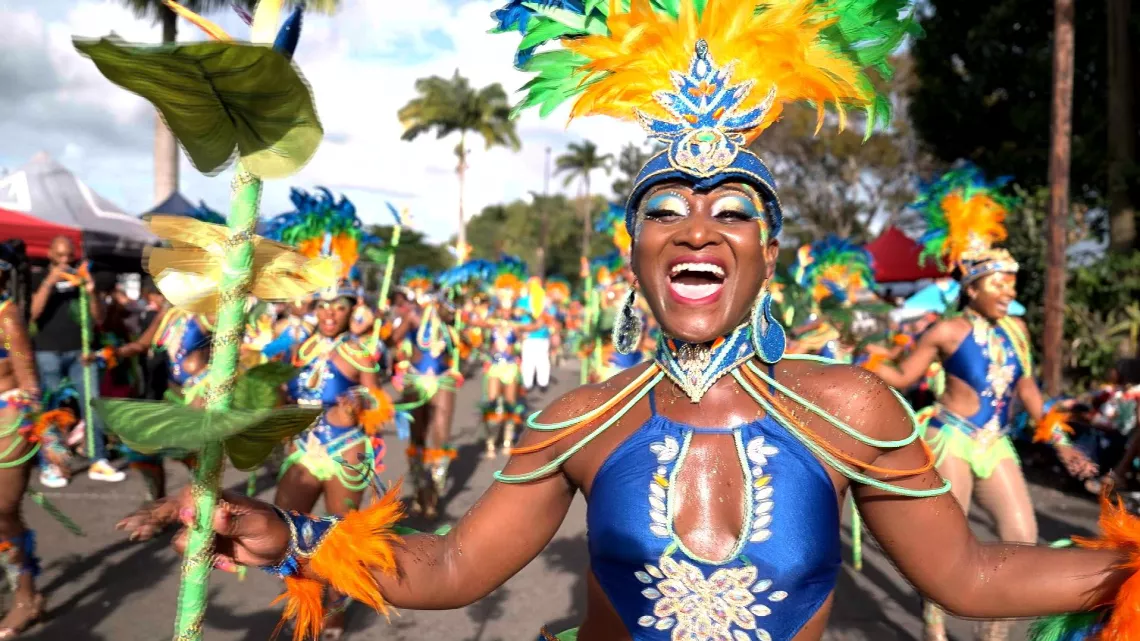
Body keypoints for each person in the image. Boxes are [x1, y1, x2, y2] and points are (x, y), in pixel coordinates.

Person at [127, 3, 1140, 640]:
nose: (698, 225)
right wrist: (291, 532)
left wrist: (1129, 571)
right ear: (634, 254)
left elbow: (970, 570)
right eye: (666, 209)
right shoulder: (578, 419)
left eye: (731, 209)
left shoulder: (851, 406)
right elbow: (448, 564)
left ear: (767, 253)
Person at [867, 164, 1098, 641]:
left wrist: (1058, 441)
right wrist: (865, 362)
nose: (1009, 293)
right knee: (947, 548)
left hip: (995, 443)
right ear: (972, 287)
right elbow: (905, 376)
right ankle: (935, 631)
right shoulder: (948, 330)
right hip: (951, 438)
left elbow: (1029, 390)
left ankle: (993, 635)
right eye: (1000, 284)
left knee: (1021, 537)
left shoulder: (1017, 330)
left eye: (1012, 284)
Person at [0, 249, 70, 638]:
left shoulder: (6, 315)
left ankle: (27, 599)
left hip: (7, 424)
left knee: (3, 515)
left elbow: (29, 385)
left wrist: (50, 438)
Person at [29, 236, 123, 485]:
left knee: (92, 405)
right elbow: (33, 313)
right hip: (48, 352)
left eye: (69, 256)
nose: (64, 261)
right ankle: (53, 464)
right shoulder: (39, 278)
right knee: (51, 410)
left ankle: (98, 459)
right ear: (50, 254)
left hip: (82, 353)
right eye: (59, 256)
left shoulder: (82, 279)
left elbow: (99, 317)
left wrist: (90, 291)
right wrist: (51, 280)